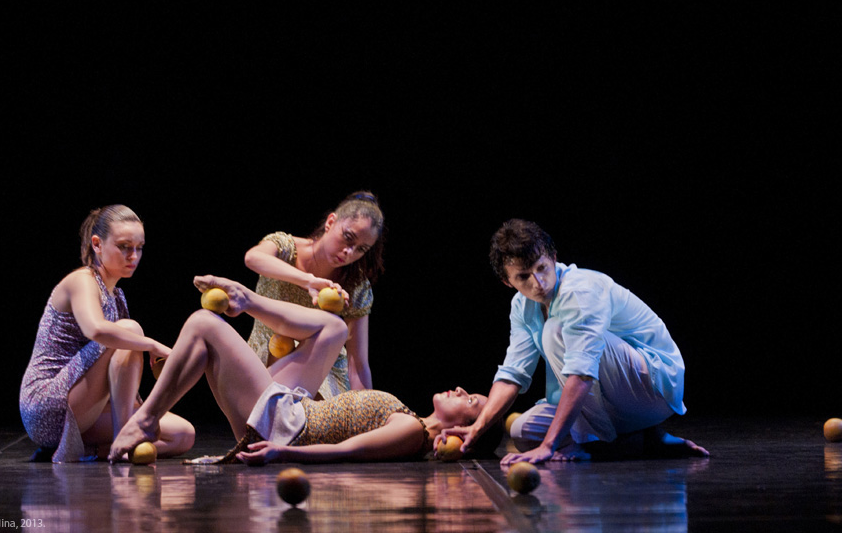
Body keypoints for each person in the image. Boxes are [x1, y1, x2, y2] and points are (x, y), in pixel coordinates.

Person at [108, 275, 500, 464]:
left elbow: (347, 451)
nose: (461, 390)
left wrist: (281, 453)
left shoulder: (412, 430)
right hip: (292, 408)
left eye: (471, 401)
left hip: (286, 425)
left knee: (203, 323)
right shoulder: (408, 419)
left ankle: (146, 419)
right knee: (334, 328)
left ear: (462, 431)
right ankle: (247, 300)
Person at [442, 219, 708, 465]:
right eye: (523, 276)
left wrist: (548, 446)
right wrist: (476, 428)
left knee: (554, 331)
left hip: (653, 386)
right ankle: (646, 439)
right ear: (507, 282)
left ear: (554, 258)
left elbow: (582, 373)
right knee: (523, 431)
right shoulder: (522, 306)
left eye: (542, 268)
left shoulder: (579, 290)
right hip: (611, 398)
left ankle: (593, 443)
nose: (538, 282)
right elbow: (513, 374)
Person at [19, 205, 195, 462]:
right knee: (130, 330)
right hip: (47, 406)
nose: (133, 256)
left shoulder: (117, 296)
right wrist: (151, 345)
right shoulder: (82, 280)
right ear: (97, 244)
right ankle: (123, 439)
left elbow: (116, 372)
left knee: (182, 434)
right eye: (124, 246)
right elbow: (96, 329)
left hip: (86, 407)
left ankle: (92, 452)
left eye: (139, 247)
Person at [244, 191, 385, 399]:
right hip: (265, 358)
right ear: (331, 222)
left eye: (361, 249)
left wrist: (366, 409)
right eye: (348, 238)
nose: (349, 252)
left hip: (321, 371)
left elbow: (358, 365)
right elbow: (253, 258)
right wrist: (307, 281)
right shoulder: (286, 248)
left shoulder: (355, 285)